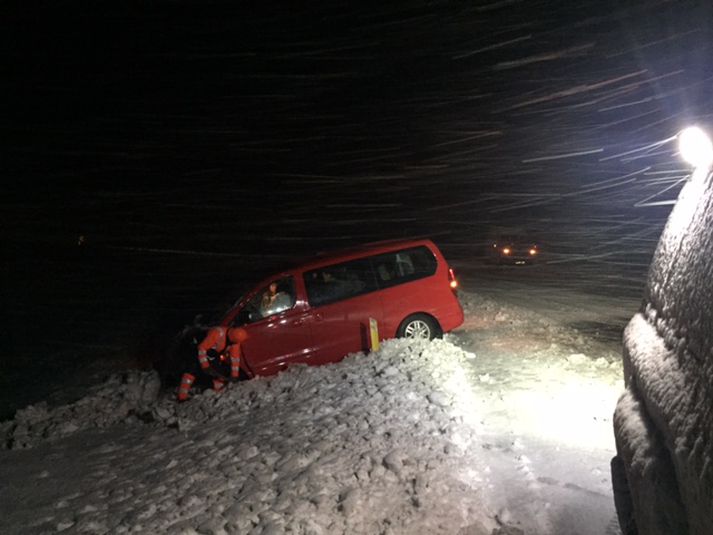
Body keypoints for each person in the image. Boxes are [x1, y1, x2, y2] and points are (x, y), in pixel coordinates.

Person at [177, 326, 248, 402]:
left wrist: (234, 375)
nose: (233, 344)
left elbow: (235, 359)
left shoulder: (235, 341)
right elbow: (202, 348)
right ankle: (182, 397)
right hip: (198, 349)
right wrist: (205, 365)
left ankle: (213, 391)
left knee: (217, 372)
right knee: (192, 371)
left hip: (213, 353)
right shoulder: (217, 333)